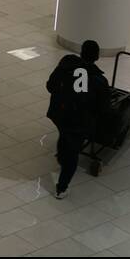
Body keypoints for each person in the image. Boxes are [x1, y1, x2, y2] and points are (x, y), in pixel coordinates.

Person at [47, 40, 112, 199]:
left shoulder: (66, 64)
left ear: (81, 52)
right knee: (72, 153)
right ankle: (62, 188)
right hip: (79, 121)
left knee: (64, 134)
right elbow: (103, 107)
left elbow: (50, 86)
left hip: (59, 114)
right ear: (97, 56)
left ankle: (61, 156)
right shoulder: (98, 80)